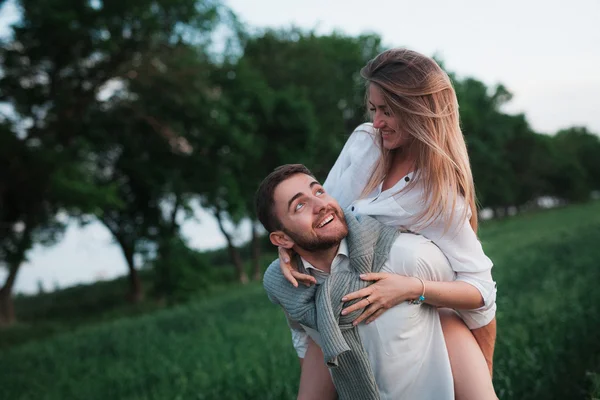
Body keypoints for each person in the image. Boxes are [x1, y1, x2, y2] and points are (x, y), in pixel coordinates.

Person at [276, 48, 498, 399]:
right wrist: (289, 246)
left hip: (408, 327)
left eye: (388, 111)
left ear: (418, 111)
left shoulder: (437, 199)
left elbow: (481, 290)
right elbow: (323, 209)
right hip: (335, 307)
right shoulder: (364, 143)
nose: (377, 122)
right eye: (373, 109)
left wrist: (412, 288)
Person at [257, 164, 496, 399]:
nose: (320, 205)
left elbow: (477, 297)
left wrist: (415, 289)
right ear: (281, 239)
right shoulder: (289, 288)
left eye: (319, 191)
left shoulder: (404, 255)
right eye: (300, 205)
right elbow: (303, 335)